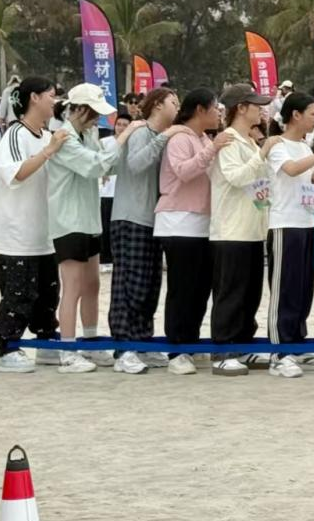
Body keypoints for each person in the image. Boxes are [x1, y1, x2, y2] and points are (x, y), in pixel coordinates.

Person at [48, 84, 140, 373]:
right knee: (72, 286)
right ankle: (67, 350)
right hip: (68, 220)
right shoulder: (64, 137)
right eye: (93, 112)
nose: (97, 119)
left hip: (89, 218)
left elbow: (106, 163)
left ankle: (90, 340)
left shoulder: (87, 134)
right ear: (79, 109)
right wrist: (124, 135)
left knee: (92, 284)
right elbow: (94, 166)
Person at [0, 78, 69, 372]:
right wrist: (48, 151)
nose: (54, 101)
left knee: (48, 293)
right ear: (34, 98)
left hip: (45, 230)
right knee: (18, 294)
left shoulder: (48, 135)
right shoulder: (16, 134)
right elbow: (16, 173)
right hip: (18, 231)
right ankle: (6, 349)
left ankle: (46, 342)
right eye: (51, 95)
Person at [262, 92, 314, 378]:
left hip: (306, 224)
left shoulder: (305, 147)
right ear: (295, 115)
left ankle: (296, 342)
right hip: (284, 225)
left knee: (303, 288)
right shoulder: (278, 145)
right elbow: (293, 169)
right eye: (312, 114)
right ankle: (279, 351)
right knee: (284, 289)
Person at [154, 89, 231, 375]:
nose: (218, 113)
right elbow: (183, 172)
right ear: (200, 109)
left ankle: (191, 340)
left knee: (200, 288)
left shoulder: (203, 138)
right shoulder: (180, 138)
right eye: (215, 108)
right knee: (182, 288)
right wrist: (213, 149)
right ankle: (177, 349)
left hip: (202, 223)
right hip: (178, 221)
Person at [107, 88, 182, 374]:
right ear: (158, 105)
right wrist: (165, 136)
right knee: (128, 284)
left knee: (149, 286)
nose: (177, 106)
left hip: (153, 219)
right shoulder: (141, 131)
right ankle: (123, 347)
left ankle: (142, 341)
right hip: (130, 217)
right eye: (173, 102)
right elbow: (136, 164)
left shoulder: (164, 136)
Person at [208, 85, 273, 376]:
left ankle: (243, 346)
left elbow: (259, 185)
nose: (261, 110)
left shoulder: (249, 141)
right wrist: (262, 155)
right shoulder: (229, 141)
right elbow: (236, 178)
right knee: (230, 293)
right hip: (230, 231)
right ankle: (222, 351)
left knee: (250, 294)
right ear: (241, 108)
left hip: (252, 230)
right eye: (255, 105)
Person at [97, 112, 130, 270]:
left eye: (125, 125)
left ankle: (121, 258)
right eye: (119, 124)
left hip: (125, 191)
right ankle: (105, 259)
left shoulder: (132, 144)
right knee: (106, 226)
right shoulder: (105, 142)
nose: (121, 128)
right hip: (107, 191)